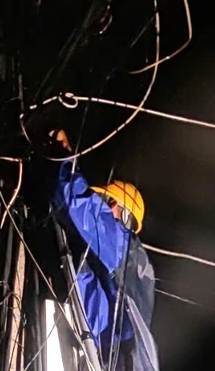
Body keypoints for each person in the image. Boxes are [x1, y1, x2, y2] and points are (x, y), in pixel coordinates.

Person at [50, 129, 158, 371]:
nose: (104, 208)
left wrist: (64, 159)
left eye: (109, 203)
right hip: (102, 357)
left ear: (123, 212)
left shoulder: (125, 246)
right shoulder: (111, 269)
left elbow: (81, 208)